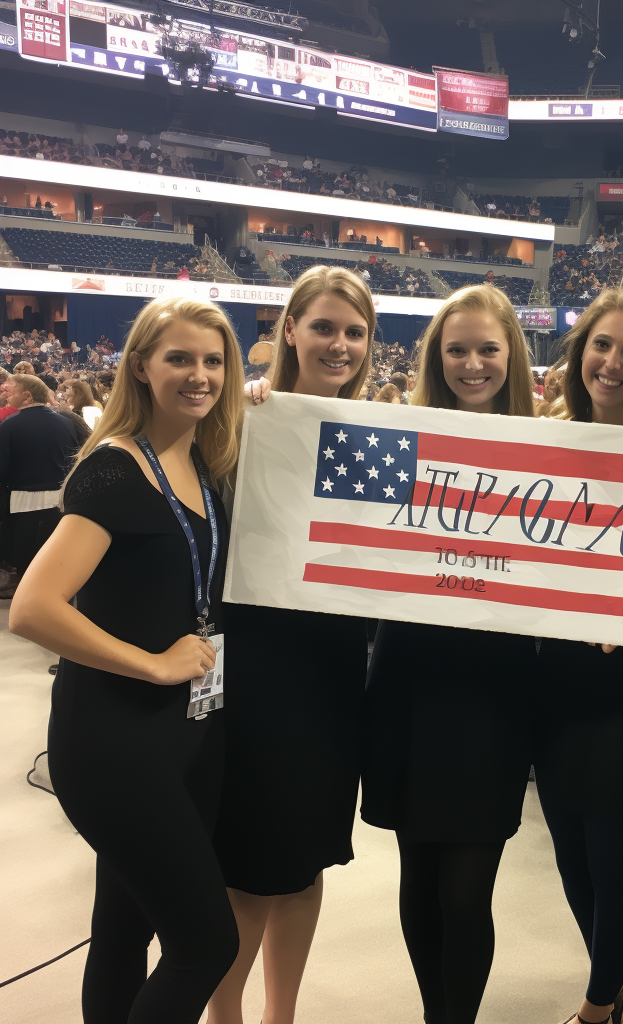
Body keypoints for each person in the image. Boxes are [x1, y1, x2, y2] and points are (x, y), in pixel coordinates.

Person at [8, 297, 244, 1022]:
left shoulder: (206, 459)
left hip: (186, 734)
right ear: (140, 366)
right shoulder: (115, 470)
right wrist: (152, 664)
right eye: (179, 358)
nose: (198, 375)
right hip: (115, 740)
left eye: (213, 360)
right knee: (207, 944)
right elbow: (33, 607)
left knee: (122, 926)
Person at [361, 285, 537, 1024]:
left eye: (488, 349)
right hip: (408, 677)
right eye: (456, 349)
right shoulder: (396, 436)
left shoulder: (549, 448)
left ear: (512, 357)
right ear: (436, 356)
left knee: (466, 890)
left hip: (491, 692)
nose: (472, 363)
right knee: (418, 873)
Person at [207, 266, 375, 1024]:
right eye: (325, 327)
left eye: (354, 331)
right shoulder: (246, 422)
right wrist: (232, 415)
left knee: (305, 863)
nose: (339, 344)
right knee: (247, 866)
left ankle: (281, 1017)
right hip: (259, 673)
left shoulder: (382, 437)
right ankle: (227, 1017)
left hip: (334, 677)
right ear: (291, 331)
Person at [534, 290, 623, 1024]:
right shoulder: (545, 440)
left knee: (609, 856)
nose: (612, 363)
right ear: (578, 351)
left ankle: (596, 1011)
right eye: (601, 345)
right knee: (568, 857)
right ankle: (614, 985)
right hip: (554, 688)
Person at [0, 373, 79, 597]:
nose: (5, 394)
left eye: (10, 390)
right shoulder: (65, 421)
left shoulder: (9, 425)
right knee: (55, 557)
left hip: (24, 502)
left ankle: (33, 603)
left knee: (29, 561)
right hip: (61, 501)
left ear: (26, 396)